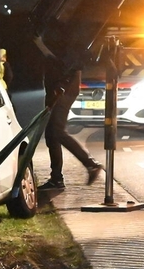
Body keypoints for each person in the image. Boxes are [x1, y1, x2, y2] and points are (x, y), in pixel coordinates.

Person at [38, 55, 103, 190]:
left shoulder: (65, 41)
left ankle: (90, 164)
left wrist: (41, 45)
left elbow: (68, 61)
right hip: (59, 87)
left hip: (63, 88)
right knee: (51, 134)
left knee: (57, 131)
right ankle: (56, 178)